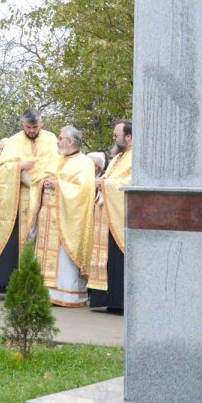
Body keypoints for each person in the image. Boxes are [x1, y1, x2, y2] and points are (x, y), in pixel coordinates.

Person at [0, 108, 59, 290]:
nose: (31, 131)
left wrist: (50, 180)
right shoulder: (14, 141)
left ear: (41, 124)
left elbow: (58, 164)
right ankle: (13, 283)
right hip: (20, 198)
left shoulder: (51, 139)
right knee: (18, 238)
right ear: (23, 124)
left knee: (41, 239)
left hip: (44, 197)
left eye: (35, 127)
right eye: (28, 127)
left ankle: (39, 283)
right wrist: (18, 166)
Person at [31, 126, 97, 307]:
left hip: (67, 218)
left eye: (60, 138)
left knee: (63, 259)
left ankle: (67, 294)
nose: (57, 141)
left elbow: (84, 190)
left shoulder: (85, 162)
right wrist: (44, 182)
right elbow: (39, 178)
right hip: (47, 216)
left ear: (71, 142)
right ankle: (44, 292)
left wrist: (59, 184)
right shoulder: (56, 159)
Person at [87, 120, 132, 313]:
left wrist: (105, 184)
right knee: (108, 258)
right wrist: (103, 182)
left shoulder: (137, 157)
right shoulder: (117, 158)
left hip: (122, 216)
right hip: (108, 214)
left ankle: (120, 303)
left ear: (128, 137)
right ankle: (108, 300)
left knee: (118, 259)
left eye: (116, 135)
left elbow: (129, 183)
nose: (114, 139)